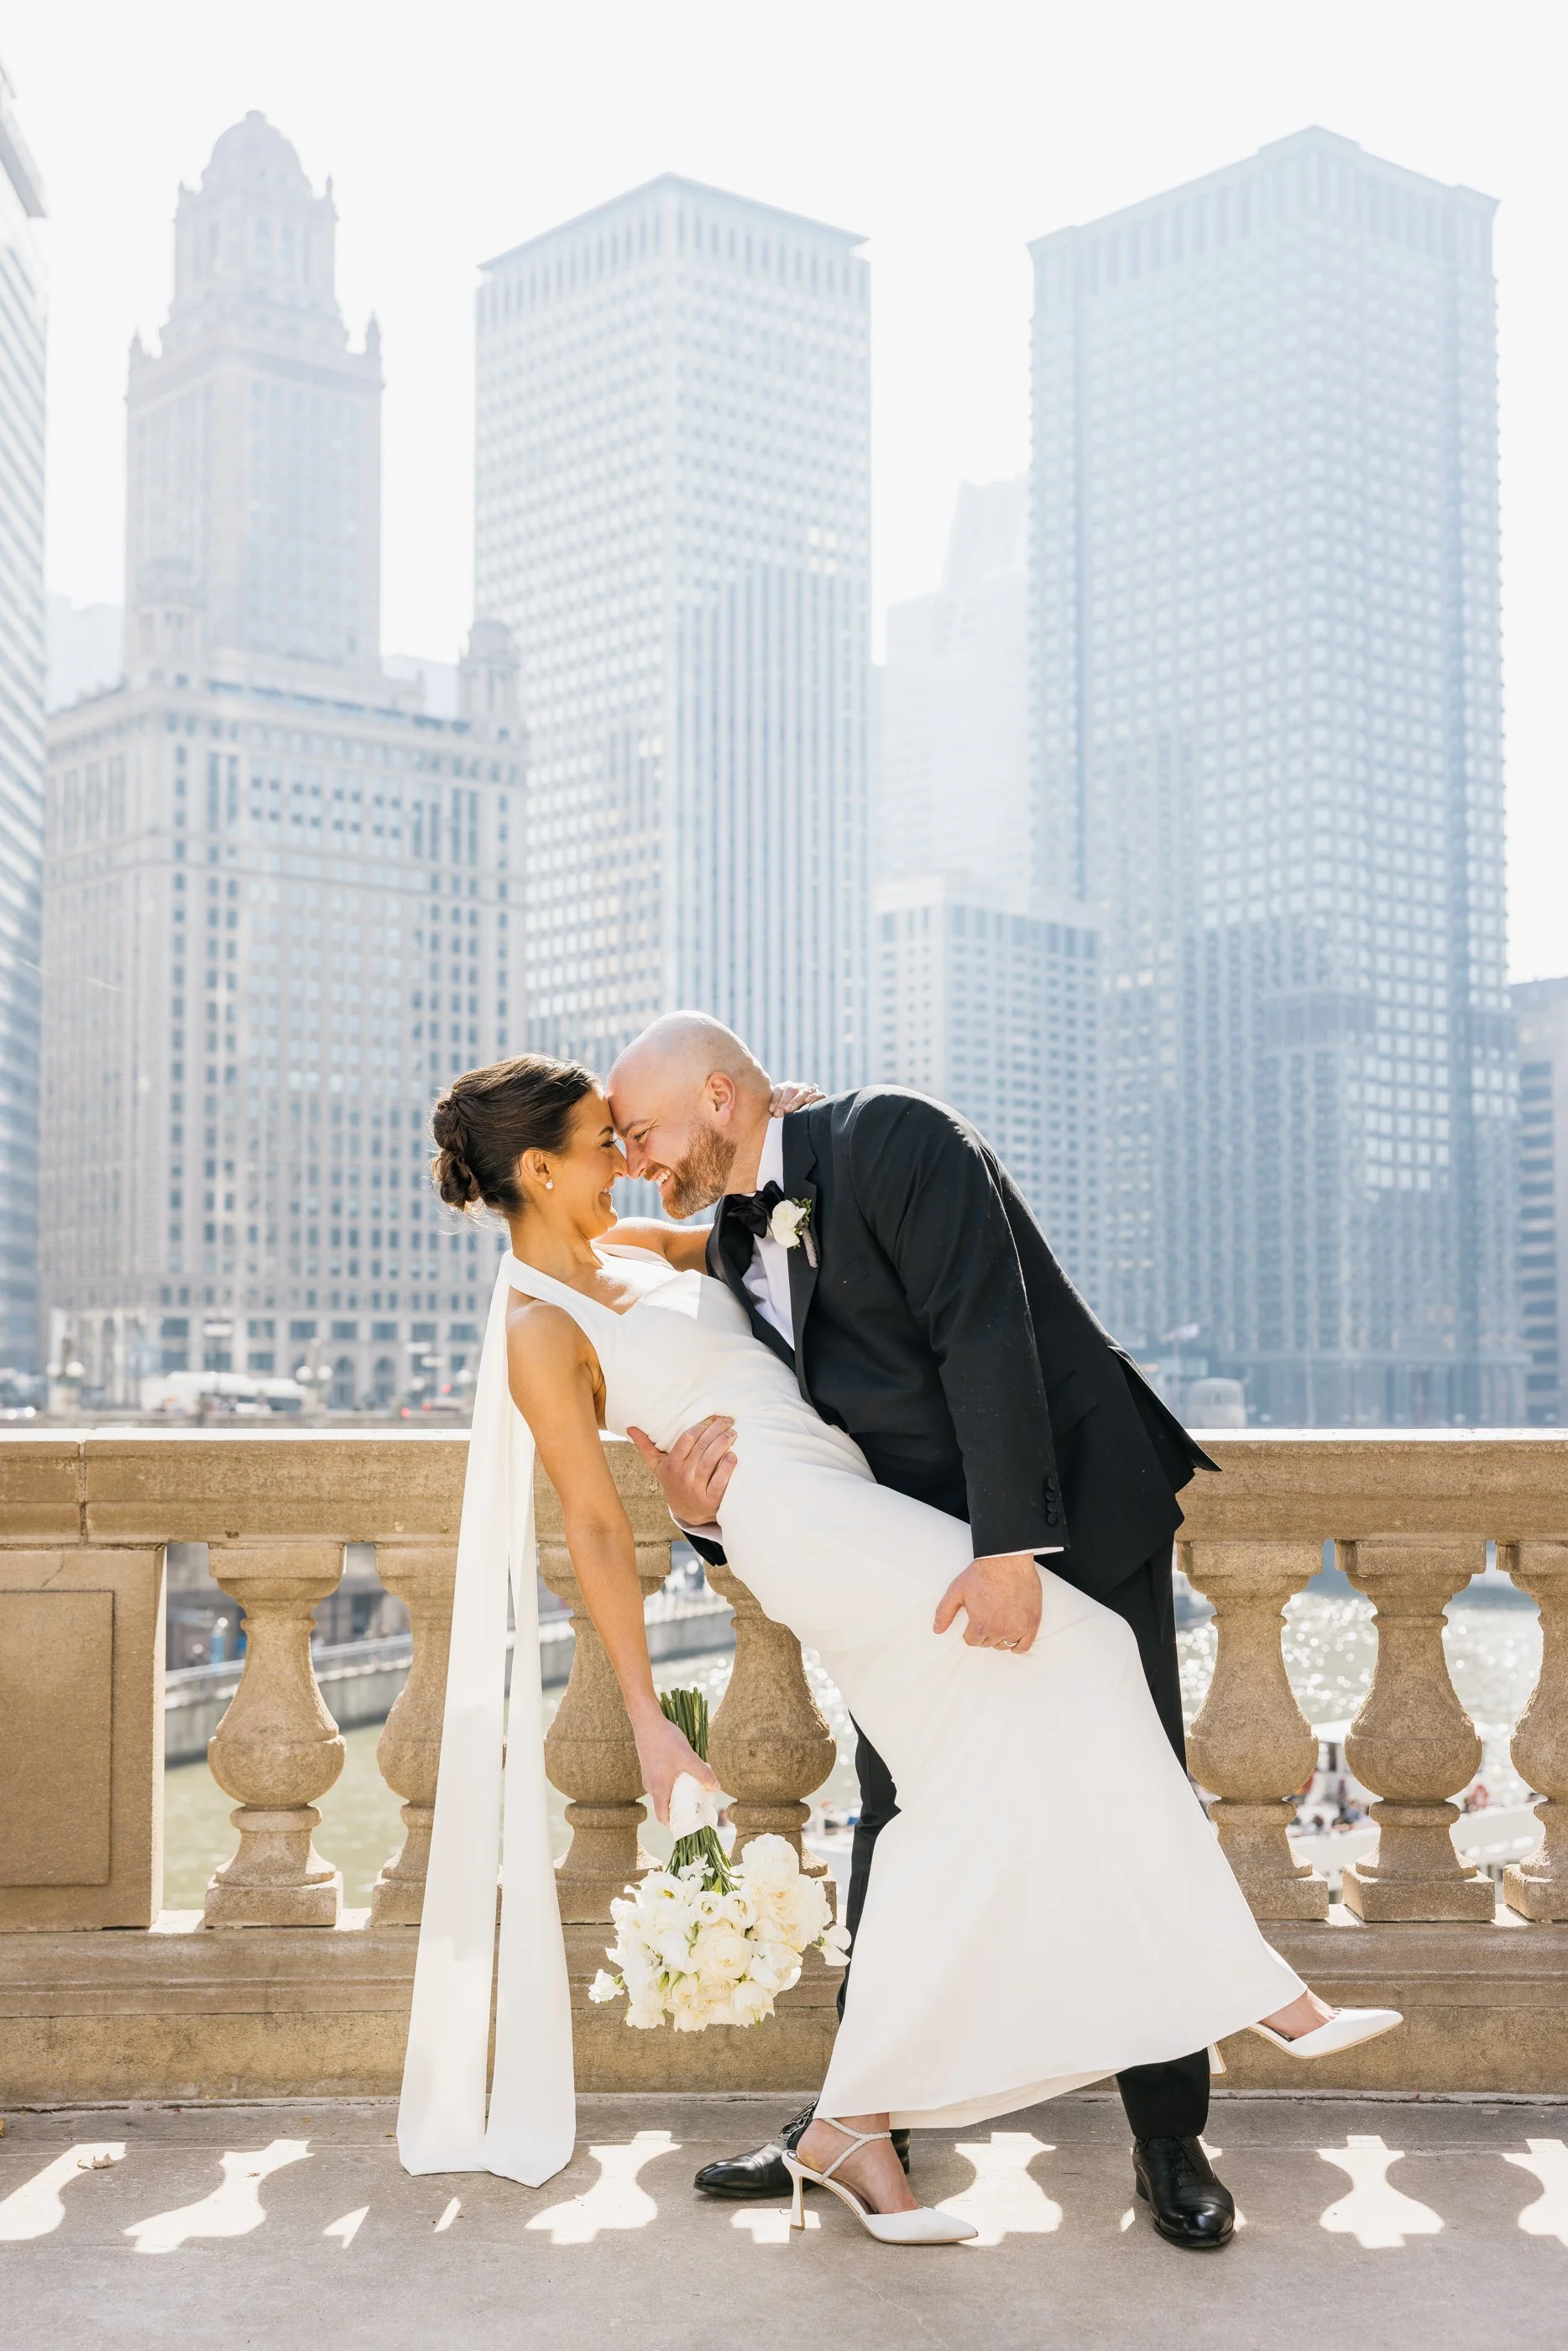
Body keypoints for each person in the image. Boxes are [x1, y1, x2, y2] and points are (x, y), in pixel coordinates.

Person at [396, 1041, 1400, 2249]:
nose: (631, 1154)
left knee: (968, 1792)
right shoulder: (537, 1324)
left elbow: (909, 1308)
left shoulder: (706, 1222)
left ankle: (918, 2126)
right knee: (1022, 1720)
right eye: (610, 1141)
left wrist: (783, 1124)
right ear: (544, 1171)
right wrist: (660, 1674)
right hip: (823, 1525)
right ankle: (1255, 1999)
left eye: (640, 1130)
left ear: (717, 1101)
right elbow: (598, 1525)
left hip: (999, 1501)